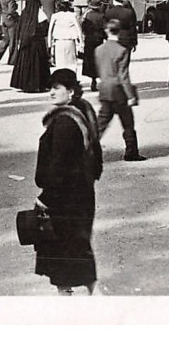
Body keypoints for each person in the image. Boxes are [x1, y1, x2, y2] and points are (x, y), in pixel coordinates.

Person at [33, 68, 102, 295]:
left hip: (64, 197)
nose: (51, 93)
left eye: (56, 88)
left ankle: (70, 296)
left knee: (63, 250)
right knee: (79, 247)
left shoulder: (64, 121)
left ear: (70, 91)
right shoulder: (84, 110)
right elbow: (96, 156)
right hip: (82, 192)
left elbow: (59, 165)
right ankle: (90, 292)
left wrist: (45, 198)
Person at [94, 19, 145, 161]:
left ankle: (87, 149)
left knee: (101, 123)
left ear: (106, 31)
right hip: (118, 91)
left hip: (104, 88)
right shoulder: (122, 50)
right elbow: (123, 76)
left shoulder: (98, 50)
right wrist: (131, 95)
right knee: (128, 122)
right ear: (120, 31)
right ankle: (131, 152)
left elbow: (99, 70)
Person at [10, 0, 51, 94]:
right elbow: (45, 27)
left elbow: (20, 27)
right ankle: (39, 84)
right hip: (38, 43)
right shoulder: (40, 14)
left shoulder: (25, 13)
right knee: (38, 64)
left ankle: (25, 84)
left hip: (26, 43)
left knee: (26, 63)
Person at [47, 0, 83, 70]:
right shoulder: (72, 15)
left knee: (60, 62)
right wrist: (81, 42)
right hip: (70, 41)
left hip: (58, 41)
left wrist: (49, 44)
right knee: (71, 62)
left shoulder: (55, 16)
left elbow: (50, 30)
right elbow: (79, 29)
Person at [80, 0, 106, 93]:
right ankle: (98, 79)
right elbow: (104, 28)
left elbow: (83, 27)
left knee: (90, 60)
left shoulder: (87, 15)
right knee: (98, 60)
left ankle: (93, 80)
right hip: (98, 40)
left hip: (89, 40)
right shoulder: (102, 16)